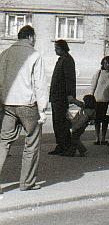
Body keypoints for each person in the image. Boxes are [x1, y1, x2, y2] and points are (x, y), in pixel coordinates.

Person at [0, 25, 48, 192]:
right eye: (34, 38)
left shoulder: (5, 54)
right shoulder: (34, 55)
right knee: (32, 143)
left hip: (8, 105)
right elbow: (40, 84)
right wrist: (42, 109)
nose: (35, 41)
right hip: (28, 105)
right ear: (30, 37)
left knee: (3, 142)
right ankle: (27, 183)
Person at [50, 39, 83, 156]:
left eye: (57, 48)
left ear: (63, 48)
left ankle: (66, 146)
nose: (55, 50)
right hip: (56, 96)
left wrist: (70, 95)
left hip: (61, 96)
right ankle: (60, 145)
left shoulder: (67, 60)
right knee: (57, 122)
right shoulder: (62, 59)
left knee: (62, 122)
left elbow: (70, 79)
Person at [88, 56, 109, 145]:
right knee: (97, 120)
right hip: (97, 99)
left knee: (105, 120)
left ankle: (103, 138)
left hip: (106, 100)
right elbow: (93, 85)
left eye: (108, 63)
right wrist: (91, 96)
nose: (106, 65)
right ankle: (97, 138)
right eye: (105, 63)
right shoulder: (99, 73)